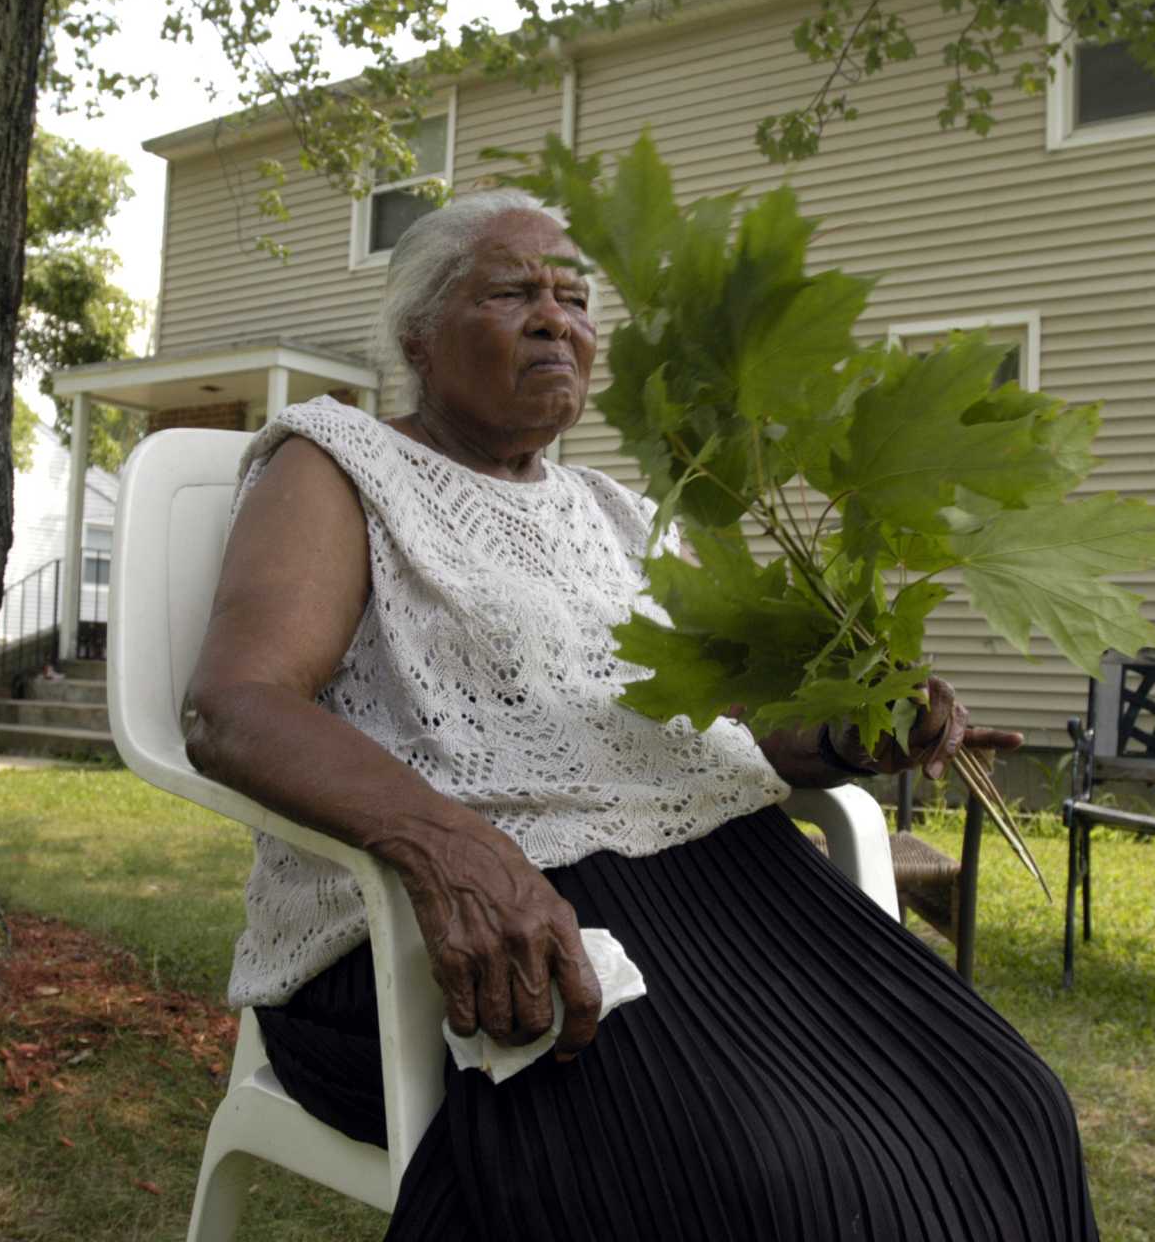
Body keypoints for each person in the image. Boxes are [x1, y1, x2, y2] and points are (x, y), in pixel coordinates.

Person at [185, 188, 1099, 1240]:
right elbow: (235, 703)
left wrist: (851, 731)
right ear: (417, 336)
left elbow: (716, 723)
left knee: (1009, 1107)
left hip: (738, 887)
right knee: (764, 1176)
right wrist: (452, 845)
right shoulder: (337, 462)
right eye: (512, 291)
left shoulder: (617, 513)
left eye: (574, 298)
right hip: (476, 923)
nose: (555, 318)